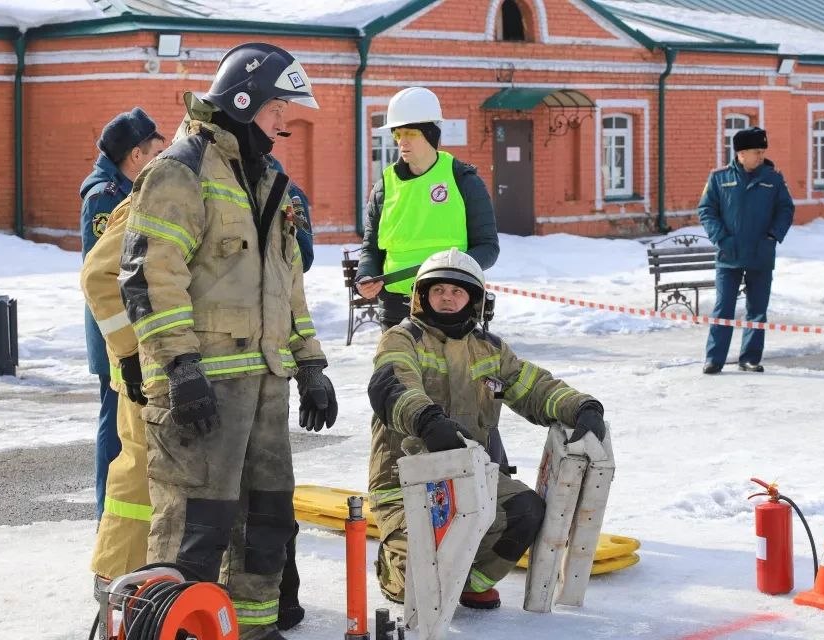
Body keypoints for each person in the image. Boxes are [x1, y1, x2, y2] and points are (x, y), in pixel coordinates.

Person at [118, 42, 337, 640]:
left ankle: (252, 629)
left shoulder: (268, 181)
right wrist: (181, 367)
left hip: (265, 388)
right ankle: (178, 630)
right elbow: (149, 276)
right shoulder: (181, 170)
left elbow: (288, 284)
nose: (284, 124)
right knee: (196, 526)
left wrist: (312, 365)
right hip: (202, 387)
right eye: (277, 111)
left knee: (266, 525)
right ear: (244, 101)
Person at [366, 248, 609, 609]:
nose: (447, 298)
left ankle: (470, 581)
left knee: (526, 511)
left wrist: (581, 406)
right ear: (422, 296)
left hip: (474, 474)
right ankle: (394, 569)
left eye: (457, 291)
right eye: (438, 291)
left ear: (475, 300)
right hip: (406, 480)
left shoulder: (490, 349)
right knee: (417, 585)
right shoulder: (402, 339)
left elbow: (534, 387)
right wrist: (427, 420)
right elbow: (393, 384)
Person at [79, 107, 165, 519]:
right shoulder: (107, 197)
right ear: (135, 155)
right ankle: (106, 516)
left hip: (129, 333)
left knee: (130, 430)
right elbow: (102, 273)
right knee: (116, 429)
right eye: (155, 153)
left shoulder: (121, 189)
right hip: (115, 335)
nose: (160, 164)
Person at [355, 86, 499, 330]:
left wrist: (448, 270)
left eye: (410, 133)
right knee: (396, 369)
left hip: (450, 306)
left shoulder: (463, 180)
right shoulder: (384, 187)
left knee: (450, 370)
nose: (402, 142)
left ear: (431, 134)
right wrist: (366, 275)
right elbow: (371, 248)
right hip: (395, 308)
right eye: (397, 134)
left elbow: (488, 248)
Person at [697, 126, 794, 374]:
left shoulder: (773, 178)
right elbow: (706, 210)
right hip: (729, 255)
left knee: (757, 310)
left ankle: (750, 357)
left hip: (761, 254)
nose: (760, 156)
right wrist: (721, 238)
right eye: (755, 152)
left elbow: (786, 209)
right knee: (723, 309)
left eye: (762, 151)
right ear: (740, 153)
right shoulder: (719, 178)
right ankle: (714, 359)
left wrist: (773, 236)